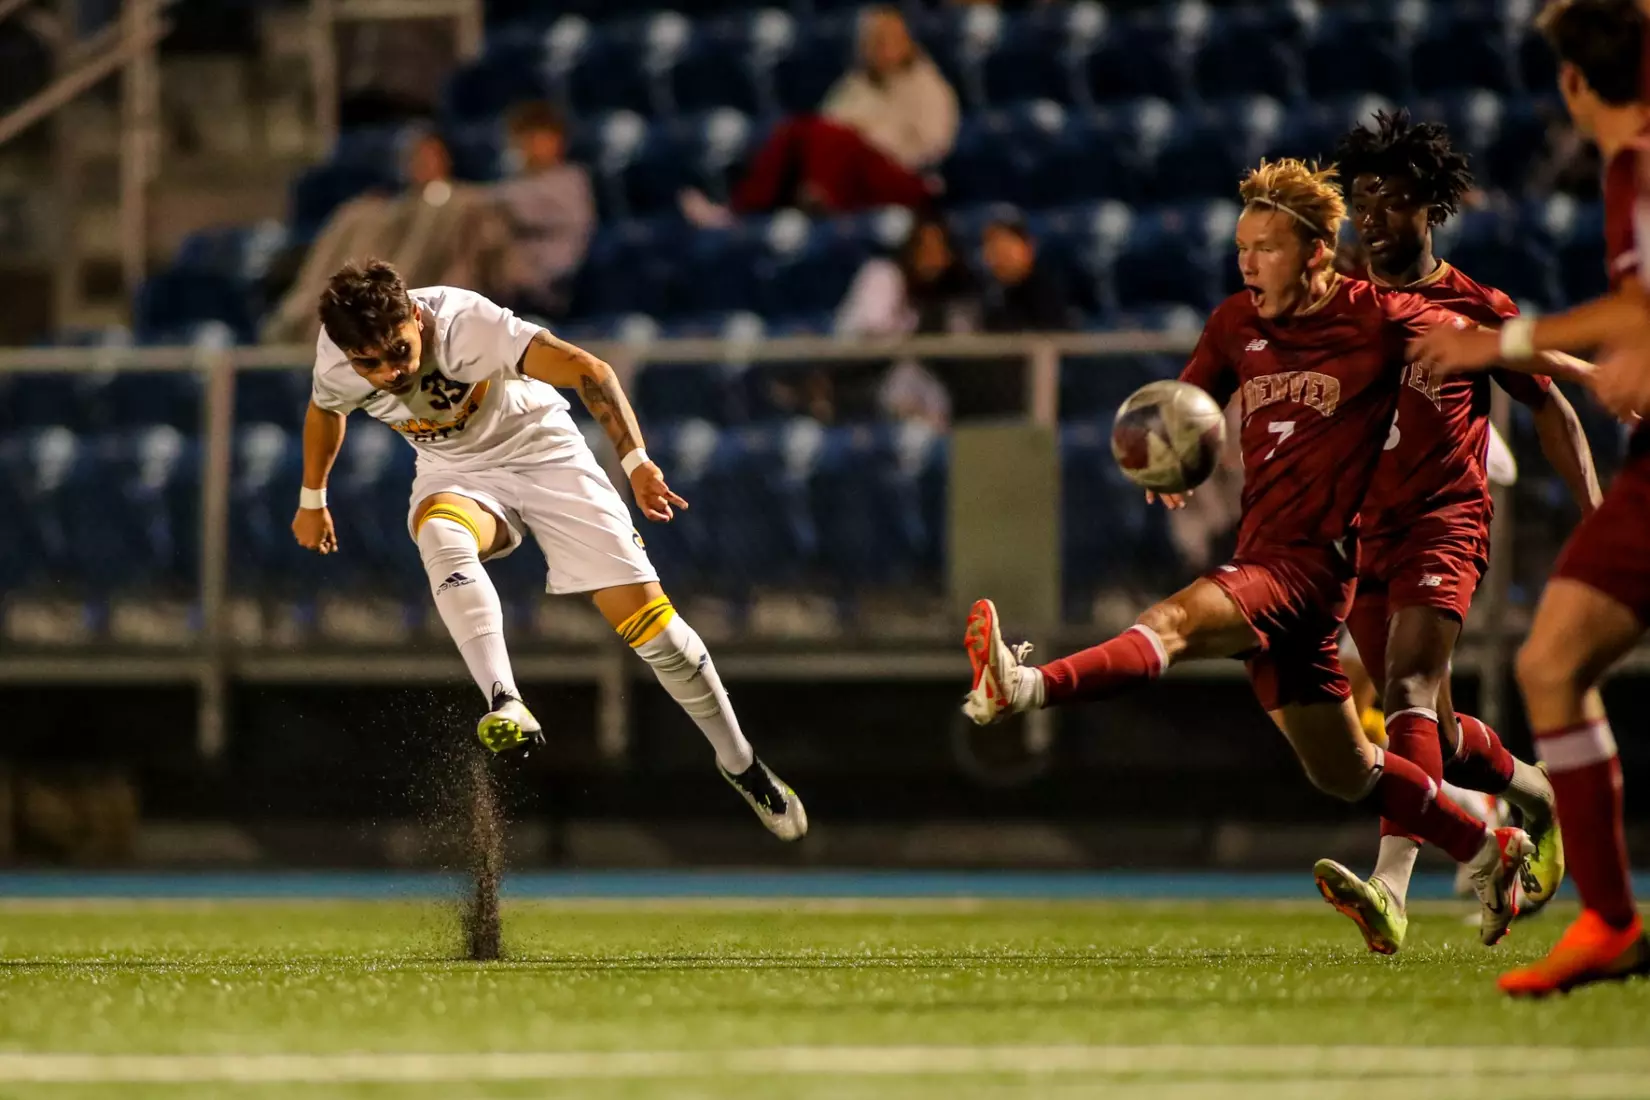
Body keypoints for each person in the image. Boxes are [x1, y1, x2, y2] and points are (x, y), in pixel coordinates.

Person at [963, 159, 1537, 945]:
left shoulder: (1378, 315)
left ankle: (1022, 684)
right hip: (1269, 557)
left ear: (1316, 252)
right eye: (1241, 247)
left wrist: (1587, 370)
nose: (1246, 261)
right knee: (1349, 773)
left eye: (1263, 246)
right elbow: (1184, 403)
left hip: (1307, 567)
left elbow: (1496, 349)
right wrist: (1166, 460)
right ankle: (1490, 845)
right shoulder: (1237, 322)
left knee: (1173, 622)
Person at [291, 261, 807, 843]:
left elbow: (589, 369)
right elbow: (326, 409)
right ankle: (504, 699)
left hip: (547, 455)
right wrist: (313, 497)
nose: (389, 373)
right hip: (458, 470)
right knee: (440, 533)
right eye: (371, 364)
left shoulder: (467, 323)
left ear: (415, 315)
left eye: (399, 352)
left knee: (662, 640)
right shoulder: (339, 358)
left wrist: (636, 462)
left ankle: (740, 763)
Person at [1307, 111, 1604, 955]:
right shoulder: (1344, 307)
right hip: (1366, 536)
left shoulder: (1473, 308)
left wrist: (1597, 520)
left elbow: (1553, 412)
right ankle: (1532, 791)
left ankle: (1391, 890)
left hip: (1447, 519)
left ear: (1430, 208)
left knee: (1402, 689)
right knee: (1429, 721)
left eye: (1393, 199)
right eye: (1361, 197)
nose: (1372, 216)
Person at [1411, 0, 1650, 995]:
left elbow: (1638, 308)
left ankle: (1607, 914)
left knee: (1553, 662)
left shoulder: (1637, 164)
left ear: (1570, 85)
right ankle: (1607, 917)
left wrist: (1492, 342)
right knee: (1553, 661)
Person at [681, 7, 957, 223]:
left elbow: (933, 146)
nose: (883, 47)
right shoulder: (855, 85)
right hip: (848, 171)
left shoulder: (928, 86)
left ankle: (818, 198)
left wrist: (872, 141)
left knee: (832, 137)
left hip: (900, 177)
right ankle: (739, 212)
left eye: (891, 39)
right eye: (876, 40)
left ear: (907, 42)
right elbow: (826, 122)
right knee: (794, 131)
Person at [264, 132, 511, 345]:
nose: (422, 162)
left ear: (447, 158)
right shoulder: (383, 209)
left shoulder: (462, 203)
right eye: (416, 156)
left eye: (431, 154)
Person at [835, 214, 980, 426]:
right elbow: (874, 337)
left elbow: (964, 349)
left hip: (928, 386)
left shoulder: (953, 298)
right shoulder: (884, 275)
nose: (930, 257)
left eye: (939, 249)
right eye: (923, 248)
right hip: (860, 375)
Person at [494, 101, 595, 318]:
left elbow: (519, 210)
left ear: (559, 141)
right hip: (510, 275)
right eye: (525, 139)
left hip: (553, 278)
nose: (532, 146)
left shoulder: (571, 179)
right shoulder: (513, 182)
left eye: (540, 138)